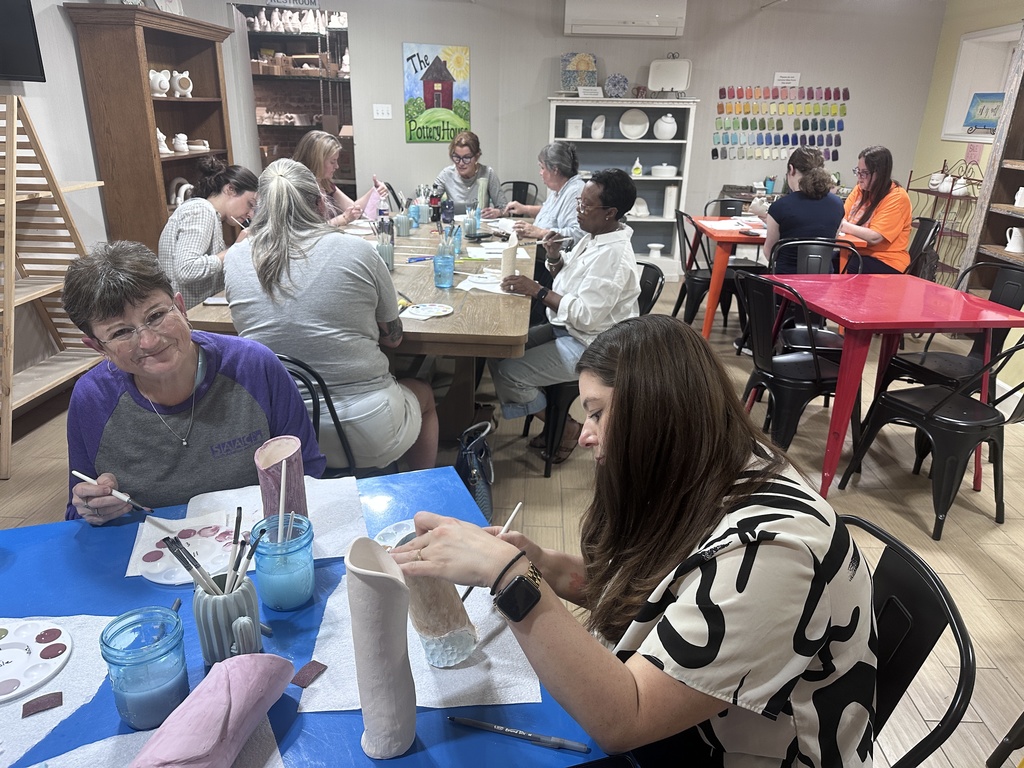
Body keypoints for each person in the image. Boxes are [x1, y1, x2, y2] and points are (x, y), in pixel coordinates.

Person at [393, 315, 876, 766]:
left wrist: (512, 578)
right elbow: (661, 593)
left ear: (657, 410)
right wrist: (542, 564)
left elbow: (625, 720)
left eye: (597, 413)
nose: (586, 436)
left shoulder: (771, 551)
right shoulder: (707, 465)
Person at [63, 241, 325, 524]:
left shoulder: (253, 366)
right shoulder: (92, 399)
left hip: (259, 537)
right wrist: (93, 507)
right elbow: (78, 513)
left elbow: (308, 472)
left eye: (156, 316)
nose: (148, 341)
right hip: (150, 545)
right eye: (121, 332)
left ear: (180, 307)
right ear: (97, 347)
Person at [224, 159, 438, 472]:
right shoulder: (359, 250)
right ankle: (423, 486)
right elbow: (393, 339)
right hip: (367, 428)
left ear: (259, 208)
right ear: (319, 204)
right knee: (425, 394)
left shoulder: (235, 258)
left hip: (279, 432)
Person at [490, 168, 640, 463]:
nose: (578, 210)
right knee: (500, 350)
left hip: (592, 345)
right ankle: (556, 421)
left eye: (586, 205)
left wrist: (537, 291)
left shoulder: (614, 256)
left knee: (509, 373)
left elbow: (586, 316)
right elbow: (570, 279)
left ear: (610, 213)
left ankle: (565, 426)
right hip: (568, 328)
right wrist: (555, 256)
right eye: (579, 202)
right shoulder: (596, 236)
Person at [157, 157, 258, 309]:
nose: (250, 214)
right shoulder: (202, 210)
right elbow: (186, 270)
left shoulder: (209, 214)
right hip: (189, 314)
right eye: (250, 204)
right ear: (230, 189)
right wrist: (235, 250)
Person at [762, 147, 845, 273]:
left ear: (791, 169)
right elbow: (830, 245)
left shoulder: (780, 207)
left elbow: (770, 253)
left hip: (786, 282)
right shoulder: (837, 204)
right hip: (824, 281)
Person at [838, 145, 912, 273]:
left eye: (864, 173)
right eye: (858, 171)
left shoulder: (897, 197)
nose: (859, 177)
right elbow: (841, 216)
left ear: (880, 174)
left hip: (886, 260)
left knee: (844, 270)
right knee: (823, 263)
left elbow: (875, 237)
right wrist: (842, 223)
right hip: (857, 253)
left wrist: (843, 225)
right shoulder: (860, 189)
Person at [292, 129, 388, 227]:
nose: (337, 166)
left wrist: (375, 191)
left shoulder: (326, 184)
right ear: (317, 161)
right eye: (332, 162)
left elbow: (354, 209)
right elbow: (309, 229)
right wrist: (343, 219)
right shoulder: (299, 190)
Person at [506, 141, 585, 246]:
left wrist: (540, 232)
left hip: (553, 252)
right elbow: (550, 214)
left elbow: (578, 235)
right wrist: (525, 209)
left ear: (555, 170)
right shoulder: (559, 188)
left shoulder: (575, 192)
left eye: (542, 168)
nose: (540, 173)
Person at [434, 130, 507, 218]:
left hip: (480, 224)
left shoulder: (488, 173)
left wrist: (498, 212)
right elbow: (431, 201)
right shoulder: (446, 174)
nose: (461, 163)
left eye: (467, 158)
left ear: (477, 157)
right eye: (457, 157)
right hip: (454, 225)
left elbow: (505, 209)